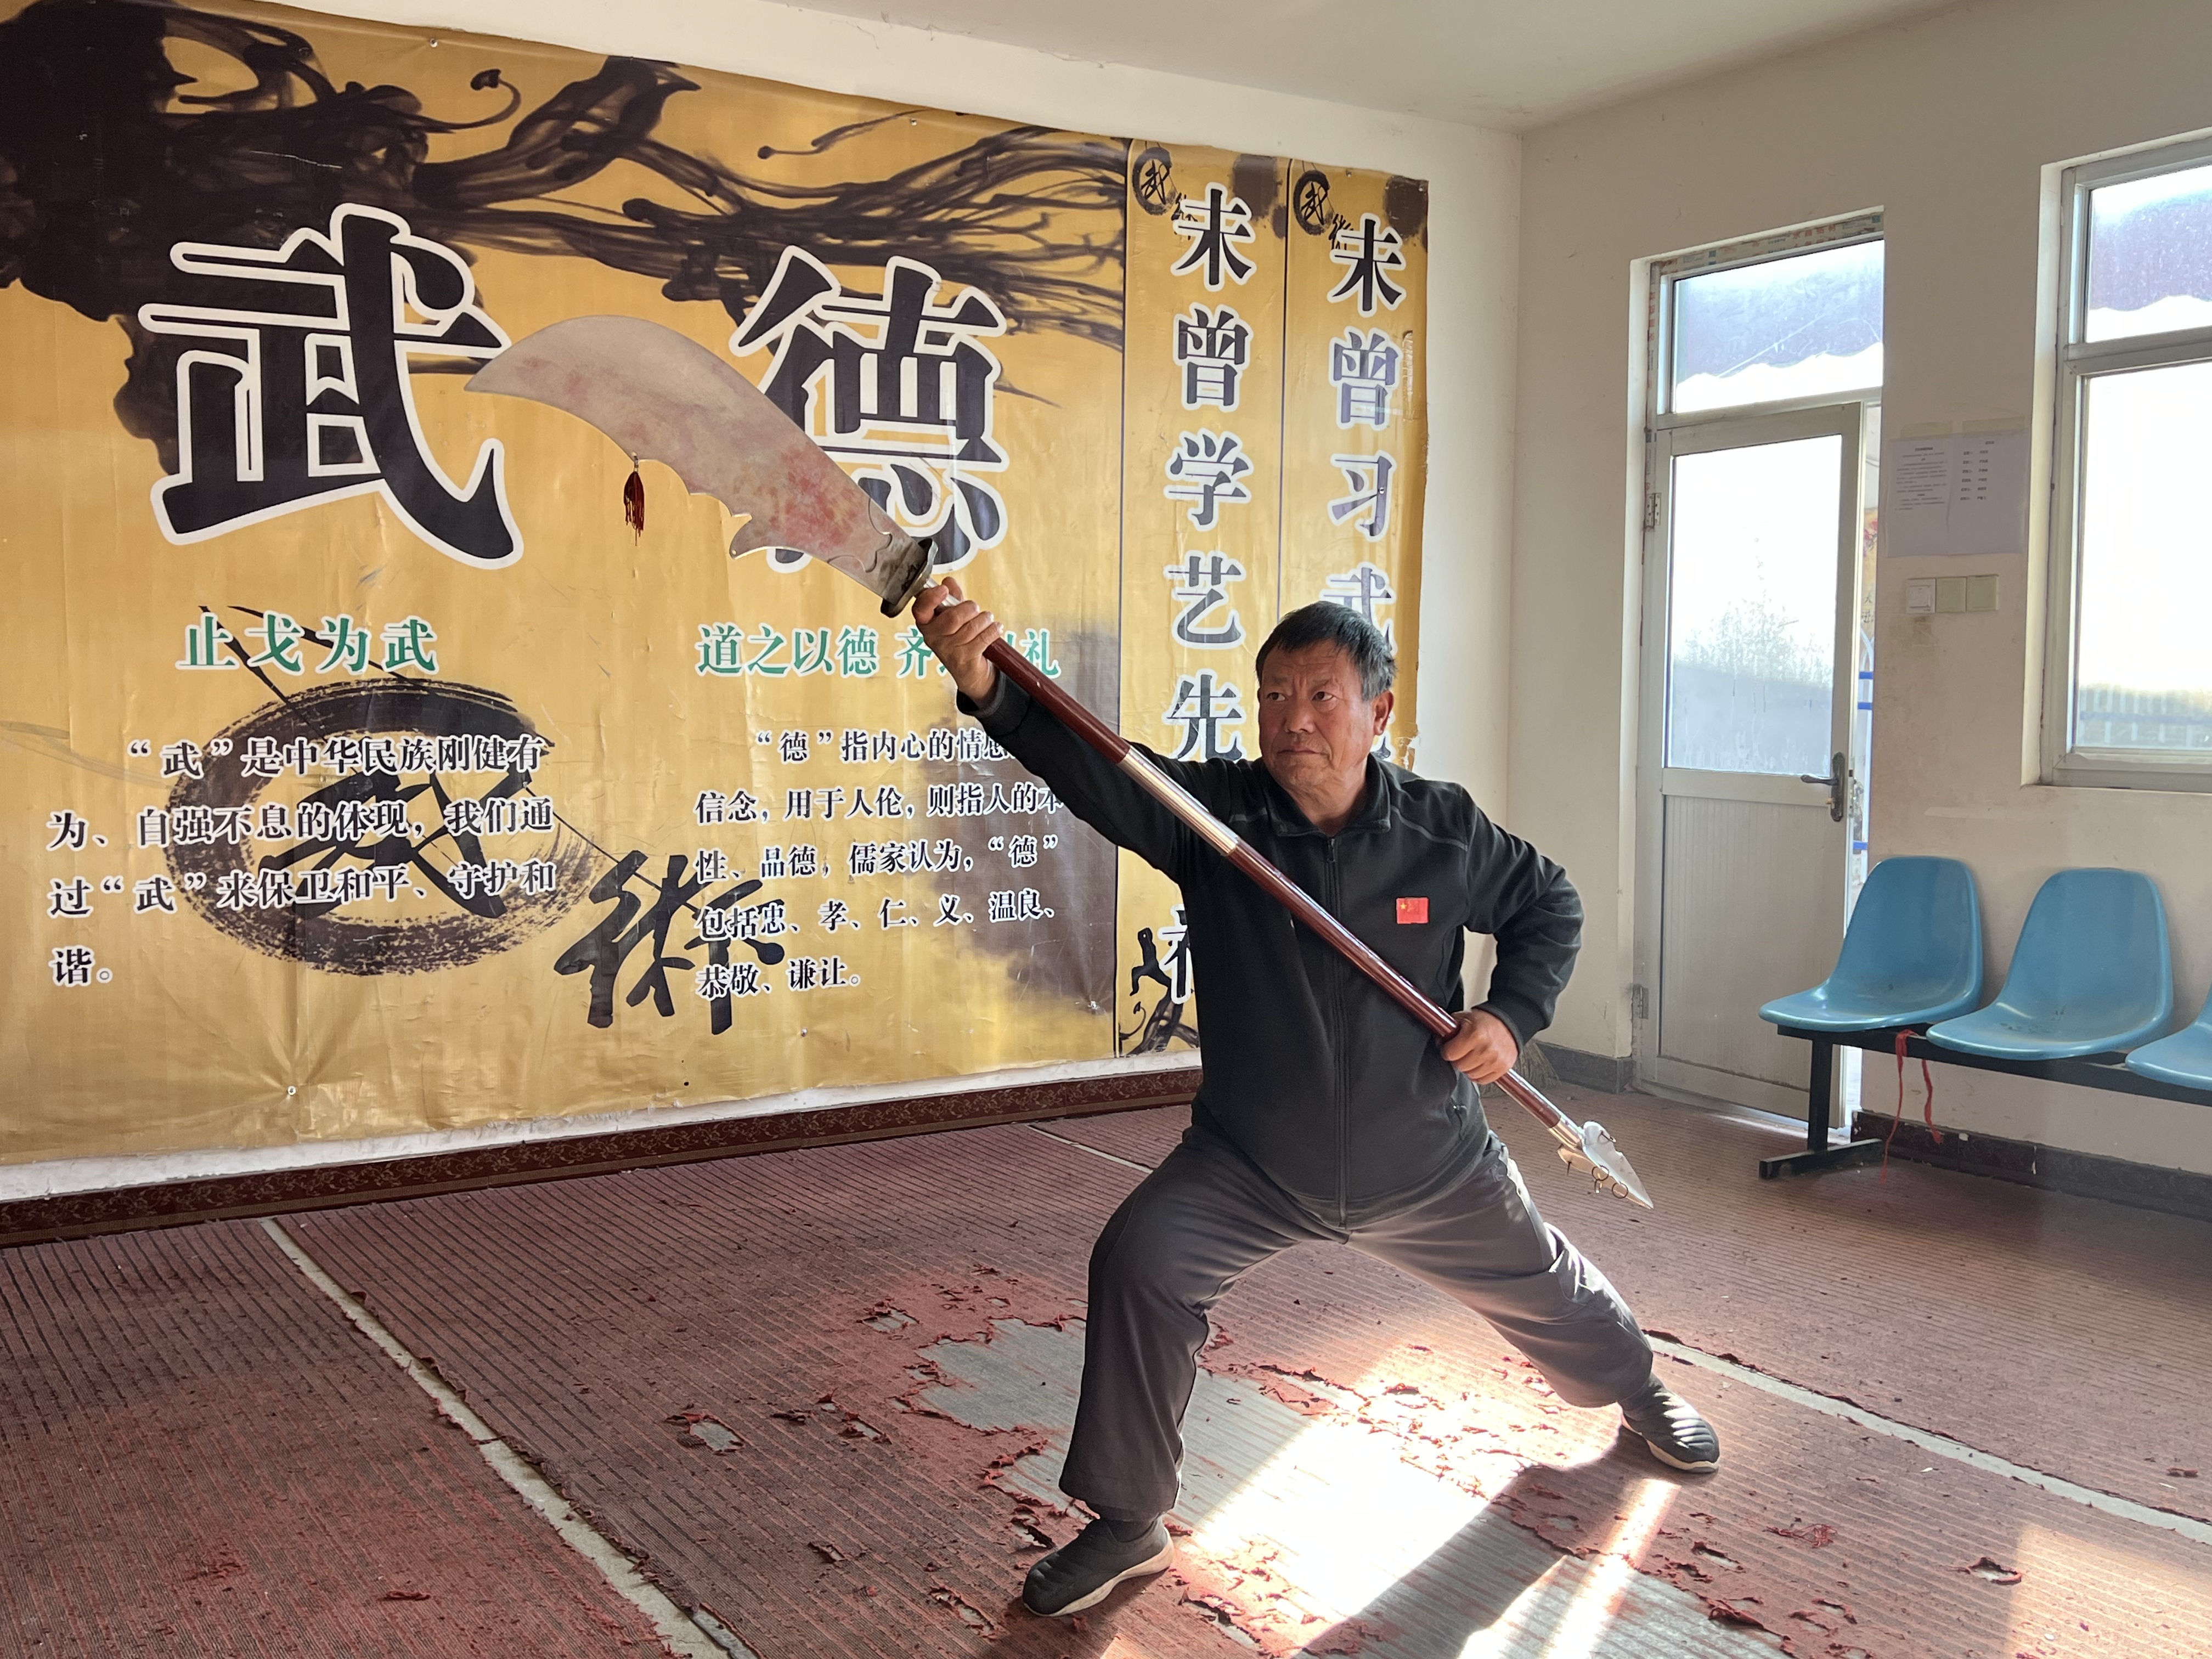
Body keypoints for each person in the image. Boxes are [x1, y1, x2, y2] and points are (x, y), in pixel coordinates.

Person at [913, 580, 1718, 1620]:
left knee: (1545, 1286)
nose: (1294, 719)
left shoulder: (1440, 829)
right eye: (1275, 696)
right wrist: (992, 691)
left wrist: (1511, 1016)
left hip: (1430, 1161)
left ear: (1379, 712)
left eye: (1322, 696)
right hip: (1250, 1164)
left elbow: (1548, 904)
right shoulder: (1214, 817)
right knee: (1140, 1262)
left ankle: (1638, 1387)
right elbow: (1101, 776)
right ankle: (1129, 1521)